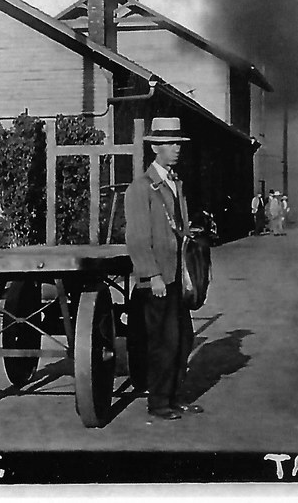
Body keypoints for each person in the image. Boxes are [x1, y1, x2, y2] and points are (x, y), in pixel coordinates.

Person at [124, 117, 202, 421]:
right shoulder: (141, 188)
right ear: (155, 147)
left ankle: (172, 396)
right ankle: (158, 403)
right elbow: (138, 238)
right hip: (158, 279)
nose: (176, 150)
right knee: (163, 342)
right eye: (170, 144)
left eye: (178, 144)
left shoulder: (174, 182)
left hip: (176, 275)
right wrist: (152, 275)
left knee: (183, 339)